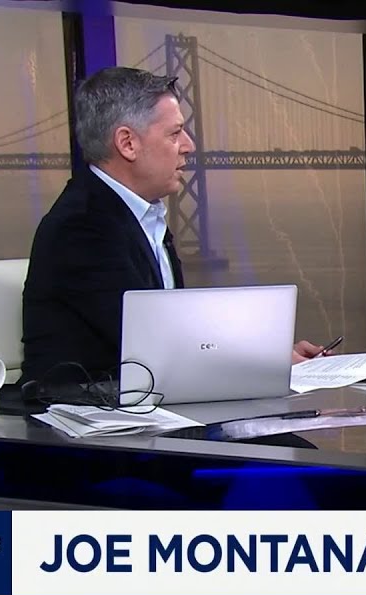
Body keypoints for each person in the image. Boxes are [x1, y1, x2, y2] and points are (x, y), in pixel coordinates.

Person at [20, 67, 323, 388]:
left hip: (152, 399)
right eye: (175, 133)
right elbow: (153, 340)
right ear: (127, 143)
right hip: (91, 410)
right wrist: (267, 357)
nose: (189, 145)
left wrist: (275, 352)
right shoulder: (81, 227)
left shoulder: (141, 216)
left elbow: (174, 334)